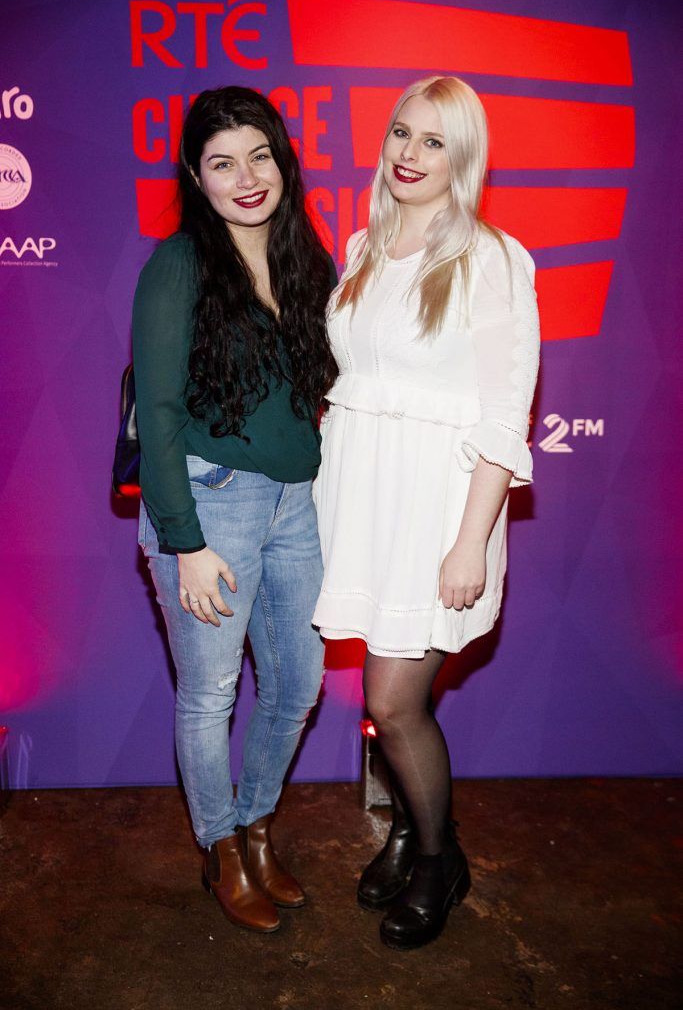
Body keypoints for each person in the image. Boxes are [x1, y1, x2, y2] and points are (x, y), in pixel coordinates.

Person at [312, 76, 540, 950]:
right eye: (401, 133)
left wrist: (470, 542)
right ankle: (407, 830)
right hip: (364, 504)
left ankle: (438, 860)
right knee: (389, 697)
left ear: (463, 156)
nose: (409, 153)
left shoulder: (491, 257)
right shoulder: (363, 243)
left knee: (393, 699)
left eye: (433, 140)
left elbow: (503, 411)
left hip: (438, 509)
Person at [133, 86, 337, 934]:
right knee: (210, 694)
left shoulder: (307, 259)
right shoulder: (178, 263)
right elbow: (159, 411)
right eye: (222, 163)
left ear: (282, 159)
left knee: (297, 685)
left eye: (259, 155)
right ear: (196, 175)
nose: (245, 177)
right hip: (210, 504)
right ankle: (218, 845)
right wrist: (185, 542)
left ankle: (255, 825)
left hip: (299, 503)